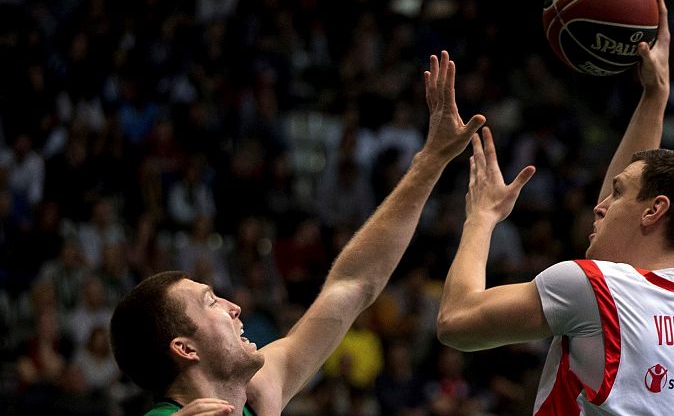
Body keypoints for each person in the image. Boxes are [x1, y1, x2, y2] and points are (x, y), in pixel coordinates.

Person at [109, 51, 485, 416]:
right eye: (211, 302)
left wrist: (430, 161)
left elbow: (352, 283)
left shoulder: (257, 396)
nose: (234, 306)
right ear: (185, 348)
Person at [436, 0, 674, 415]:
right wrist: (655, 96)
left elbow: (456, 322)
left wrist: (480, 218)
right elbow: (631, 206)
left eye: (616, 194)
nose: (599, 204)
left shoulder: (592, 289)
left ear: (655, 210)